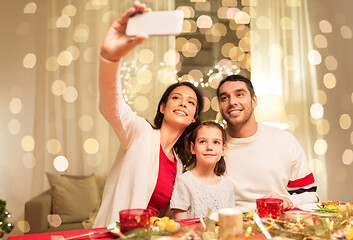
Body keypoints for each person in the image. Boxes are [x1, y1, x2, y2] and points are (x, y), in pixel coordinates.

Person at [93, 1, 204, 227]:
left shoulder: (180, 164)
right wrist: (110, 58)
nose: (183, 103)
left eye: (190, 102)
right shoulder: (140, 133)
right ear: (162, 107)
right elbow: (111, 106)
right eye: (176, 97)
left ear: (193, 118)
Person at [216, 75, 319, 211]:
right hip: (229, 225)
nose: (232, 102)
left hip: (278, 224)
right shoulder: (212, 147)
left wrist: (287, 200)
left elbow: (310, 194)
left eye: (239, 94)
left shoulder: (285, 141)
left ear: (254, 101)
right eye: (225, 98)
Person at [170, 121, 236, 220]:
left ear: (223, 150)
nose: (209, 147)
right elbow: (181, 225)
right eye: (202, 142)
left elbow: (231, 222)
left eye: (216, 142)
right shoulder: (184, 182)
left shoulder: (228, 185)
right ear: (193, 148)